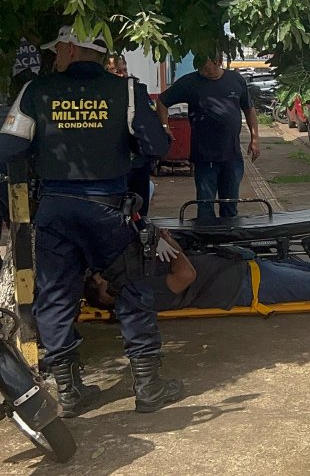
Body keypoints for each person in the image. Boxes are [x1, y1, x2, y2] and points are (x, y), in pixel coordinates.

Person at [0, 25, 184, 416]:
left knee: (55, 295)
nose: (55, 57)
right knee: (132, 291)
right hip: (108, 209)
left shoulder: (36, 91)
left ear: (69, 48)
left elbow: (10, 146)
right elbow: (157, 145)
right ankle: (148, 387)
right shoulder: (127, 91)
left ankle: (69, 393)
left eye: (58, 49)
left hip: (55, 209)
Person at [83, 231, 310, 312]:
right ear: (107, 296)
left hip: (244, 268)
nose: (109, 277)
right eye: (103, 282)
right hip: (247, 285)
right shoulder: (142, 295)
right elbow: (185, 276)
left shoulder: (135, 283)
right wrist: (171, 246)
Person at [156, 50, 260, 219]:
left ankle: (228, 241)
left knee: (230, 207)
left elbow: (249, 109)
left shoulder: (235, 80)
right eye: (198, 61)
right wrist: (164, 125)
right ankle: (207, 243)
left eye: (205, 61)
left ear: (218, 61)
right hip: (204, 158)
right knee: (205, 207)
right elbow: (162, 100)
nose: (200, 66)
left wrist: (255, 139)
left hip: (232, 156)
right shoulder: (190, 82)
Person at [107, 53, 155, 218]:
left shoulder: (137, 91)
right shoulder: (102, 96)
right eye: (116, 71)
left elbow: (151, 118)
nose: (122, 74)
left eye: (124, 69)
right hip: (113, 165)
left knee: (140, 214)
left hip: (139, 163)